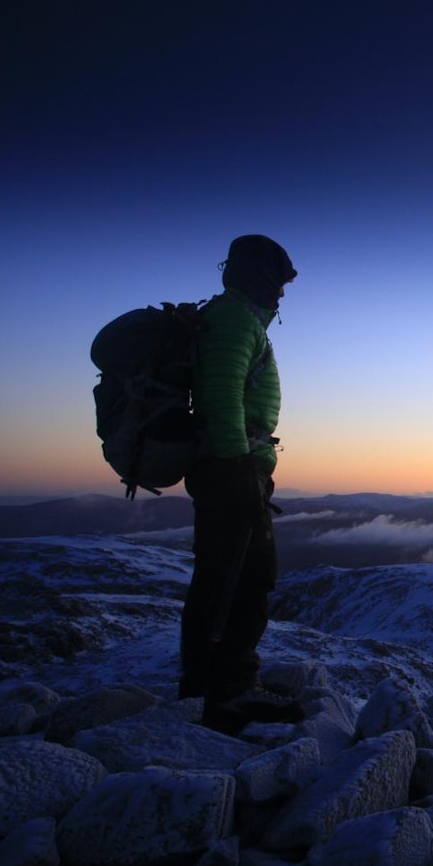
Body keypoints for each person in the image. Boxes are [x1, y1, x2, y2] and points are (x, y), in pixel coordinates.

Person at [179, 234, 303, 732]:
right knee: (243, 578)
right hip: (231, 469)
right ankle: (225, 693)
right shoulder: (233, 320)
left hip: (231, 466)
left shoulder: (236, 318)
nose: (282, 294)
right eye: (279, 282)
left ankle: (209, 686)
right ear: (259, 277)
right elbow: (222, 394)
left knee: (225, 575)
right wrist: (238, 467)